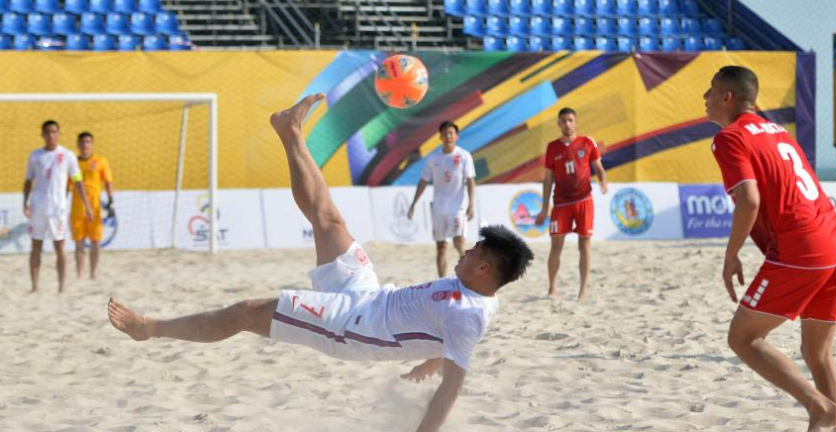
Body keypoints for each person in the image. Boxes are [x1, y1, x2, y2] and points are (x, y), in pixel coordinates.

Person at [107, 94, 533, 432]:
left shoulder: (467, 315)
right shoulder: (474, 297)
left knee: (246, 312)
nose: (466, 251)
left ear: (485, 269)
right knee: (328, 218)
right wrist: (431, 358)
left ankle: (150, 329)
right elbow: (451, 340)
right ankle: (289, 131)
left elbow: (451, 390)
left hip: (352, 328)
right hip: (368, 294)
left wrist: (433, 380)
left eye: (475, 251)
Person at [704, 66, 836, 431]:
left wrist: (730, 255)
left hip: (804, 248)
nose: (704, 98)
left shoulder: (729, 138)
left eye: (710, 90)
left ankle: (820, 408)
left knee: (742, 337)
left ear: (727, 97)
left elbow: (749, 201)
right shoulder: (778, 132)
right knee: (818, 354)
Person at [534, 108, 608, 301]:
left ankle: (583, 291)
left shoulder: (587, 142)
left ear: (576, 123)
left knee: (584, 244)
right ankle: (552, 289)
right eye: (563, 121)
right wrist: (544, 208)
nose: (567, 124)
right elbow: (548, 179)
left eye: (570, 120)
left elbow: (599, 168)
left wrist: (603, 180)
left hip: (584, 201)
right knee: (556, 245)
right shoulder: (552, 147)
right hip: (560, 204)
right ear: (558, 124)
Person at [23, 120, 92, 293]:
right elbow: (28, 180)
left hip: (57, 209)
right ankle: (34, 286)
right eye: (47, 132)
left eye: (54, 131)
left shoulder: (67, 155)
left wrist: (87, 205)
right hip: (37, 208)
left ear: (59, 134)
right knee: (36, 246)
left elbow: (77, 181)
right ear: (42, 134)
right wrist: (25, 202)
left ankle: (61, 287)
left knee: (59, 247)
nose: (51, 135)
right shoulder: (35, 155)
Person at [407, 121, 476, 277]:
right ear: (440, 137)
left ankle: (468, 274)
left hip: (458, 206)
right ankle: (441, 282)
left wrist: (471, 205)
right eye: (445, 133)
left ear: (456, 136)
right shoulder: (433, 158)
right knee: (441, 246)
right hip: (438, 208)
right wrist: (413, 204)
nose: (448, 136)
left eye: (451, 133)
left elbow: (470, 181)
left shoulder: (464, 156)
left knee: (458, 242)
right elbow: (424, 181)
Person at [70, 131, 115, 280]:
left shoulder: (100, 161)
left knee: (95, 242)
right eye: (82, 142)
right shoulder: (72, 163)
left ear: (92, 144)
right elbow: (65, 186)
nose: (85, 145)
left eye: (88, 142)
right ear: (77, 144)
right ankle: (80, 274)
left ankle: (93, 273)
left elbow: (108, 182)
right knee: (79, 243)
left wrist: (111, 201)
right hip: (77, 209)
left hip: (95, 209)